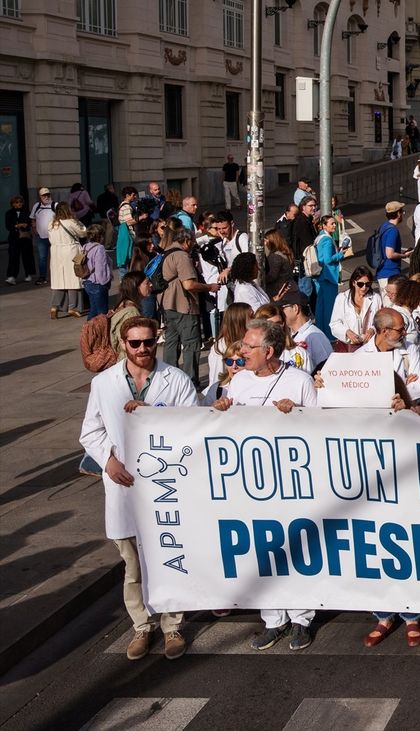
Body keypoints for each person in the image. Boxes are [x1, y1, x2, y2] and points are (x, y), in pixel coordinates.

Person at [80, 317, 198, 660]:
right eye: (136, 344)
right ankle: (141, 627)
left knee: (167, 558)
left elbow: (193, 425)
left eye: (149, 342)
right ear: (123, 344)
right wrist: (108, 461)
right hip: (123, 483)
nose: (143, 349)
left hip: (165, 483)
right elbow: (90, 431)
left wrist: (153, 416)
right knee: (132, 564)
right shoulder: (104, 384)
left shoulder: (175, 380)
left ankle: (172, 625)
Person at [211, 318, 319, 651]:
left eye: (248, 346)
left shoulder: (299, 380)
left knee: (296, 548)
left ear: (268, 350)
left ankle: (301, 618)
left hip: (291, 480)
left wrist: (298, 413)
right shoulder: (238, 382)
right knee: (261, 549)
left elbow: (322, 428)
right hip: (251, 482)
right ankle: (273, 619)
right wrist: (221, 410)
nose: (241, 350)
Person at [160, 228, 221, 387]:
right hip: (183, 305)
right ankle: (190, 381)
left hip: (167, 304)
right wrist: (209, 287)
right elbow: (188, 284)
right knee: (191, 344)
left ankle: (168, 379)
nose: (193, 245)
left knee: (171, 343)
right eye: (192, 241)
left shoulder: (166, 252)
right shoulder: (181, 256)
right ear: (187, 241)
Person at [48, 203, 87, 319]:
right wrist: (77, 220)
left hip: (56, 252)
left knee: (59, 280)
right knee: (73, 280)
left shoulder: (51, 224)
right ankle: (73, 307)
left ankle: (55, 306)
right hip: (70, 251)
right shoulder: (70, 222)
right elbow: (83, 232)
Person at [278, 290, 332, 372]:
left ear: (295, 308)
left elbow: (327, 369)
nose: (279, 313)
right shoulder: (290, 334)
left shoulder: (315, 337)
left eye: (282, 308)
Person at [331, 266, 381, 349]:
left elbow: (380, 321)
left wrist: (372, 329)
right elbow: (334, 323)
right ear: (354, 283)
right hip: (347, 347)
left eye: (368, 284)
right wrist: (347, 332)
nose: (364, 288)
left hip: (369, 346)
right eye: (360, 284)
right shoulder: (342, 298)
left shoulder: (376, 298)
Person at [110, 272, 149, 357]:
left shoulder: (123, 304)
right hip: (129, 359)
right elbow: (131, 341)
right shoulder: (131, 312)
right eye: (147, 283)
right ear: (136, 287)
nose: (151, 285)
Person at [376, 201, 409, 291]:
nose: (402, 214)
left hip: (382, 271)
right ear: (398, 213)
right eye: (402, 211)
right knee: (391, 304)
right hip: (390, 274)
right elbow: (389, 254)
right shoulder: (393, 231)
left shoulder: (384, 226)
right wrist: (404, 255)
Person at [81, 224, 113, 318]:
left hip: (87, 282)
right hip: (98, 284)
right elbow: (101, 268)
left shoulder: (85, 246)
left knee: (94, 310)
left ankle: (88, 330)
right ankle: (98, 331)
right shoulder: (100, 248)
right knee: (102, 313)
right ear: (101, 236)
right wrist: (105, 283)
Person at [5, 194, 35, 284]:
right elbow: (8, 226)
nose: (19, 204)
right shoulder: (9, 213)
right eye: (17, 202)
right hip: (14, 238)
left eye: (20, 202)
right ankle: (12, 276)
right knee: (13, 257)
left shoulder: (27, 212)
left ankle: (28, 274)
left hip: (25, 237)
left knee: (27, 256)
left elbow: (30, 223)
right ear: (13, 204)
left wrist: (26, 225)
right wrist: (17, 226)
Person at [30, 187, 56, 284]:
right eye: (44, 195)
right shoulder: (36, 206)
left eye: (48, 195)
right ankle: (42, 277)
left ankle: (55, 277)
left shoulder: (55, 205)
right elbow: (33, 218)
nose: (46, 197)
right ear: (40, 196)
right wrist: (34, 229)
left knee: (55, 258)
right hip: (41, 237)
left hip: (54, 237)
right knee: (42, 258)